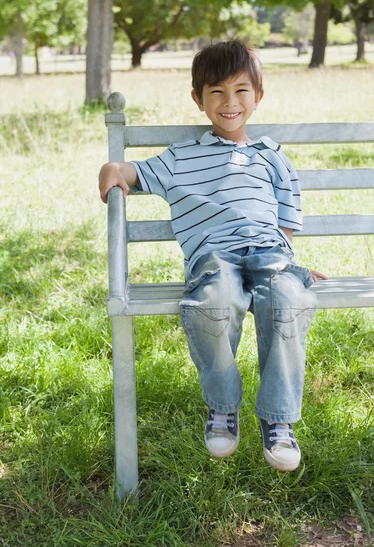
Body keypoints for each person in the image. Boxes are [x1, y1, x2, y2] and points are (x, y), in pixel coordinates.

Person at [99, 40, 327, 472]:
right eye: (217, 92)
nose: (230, 102)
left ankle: (277, 419)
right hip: (214, 256)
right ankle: (223, 406)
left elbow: (285, 222)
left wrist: (291, 269)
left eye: (241, 90)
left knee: (287, 300)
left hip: (269, 253)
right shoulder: (181, 157)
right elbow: (132, 172)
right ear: (198, 99)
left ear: (257, 97)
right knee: (212, 304)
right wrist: (111, 171)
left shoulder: (271, 155)